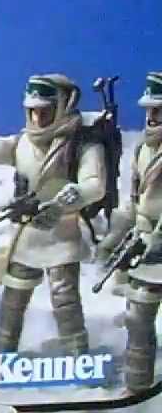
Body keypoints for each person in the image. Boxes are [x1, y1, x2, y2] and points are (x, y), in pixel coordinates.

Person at [0, 74, 105, 354]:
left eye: (45, 111)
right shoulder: (21, 143)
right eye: (33, 111)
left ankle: (77, 357)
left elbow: (95, 185)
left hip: (62, 235)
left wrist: (66, 200)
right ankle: (2, 356)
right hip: (26, 236)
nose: (38, 118)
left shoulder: (82, 144)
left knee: (66, 303)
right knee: (13, 302)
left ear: (62, 108)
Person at [98, 70, 162, 392]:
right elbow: (134, 202)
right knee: (137, 318)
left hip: (156, 244)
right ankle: (137, 387)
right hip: (147, 249)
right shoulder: (142, 150)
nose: (152, 117)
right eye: (149, 109)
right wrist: (115, 236)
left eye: (159, 110)